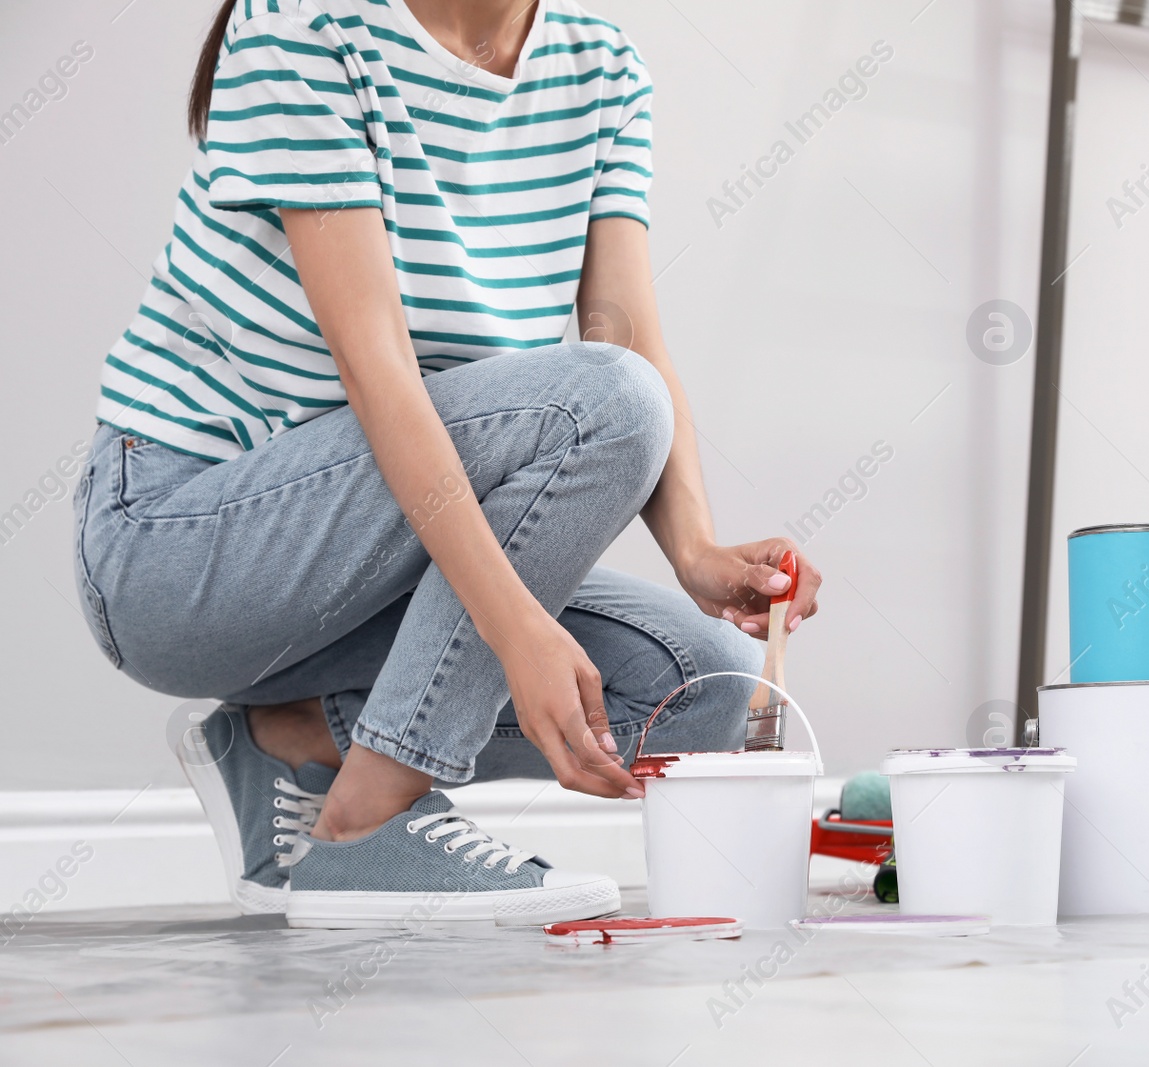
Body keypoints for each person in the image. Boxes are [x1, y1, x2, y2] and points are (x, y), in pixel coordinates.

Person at [71, 0, 820, 929]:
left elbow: (626, 331)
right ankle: (366, 818)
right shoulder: (304, 22)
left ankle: (294, 739)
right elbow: (379, 371)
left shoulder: (601, 64)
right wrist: (513, 627)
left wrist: (698, 550)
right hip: (179, 548)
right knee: (609, 403)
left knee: (701, 687)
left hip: (377, 562)